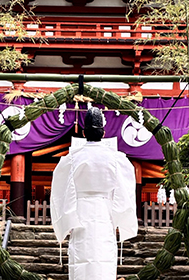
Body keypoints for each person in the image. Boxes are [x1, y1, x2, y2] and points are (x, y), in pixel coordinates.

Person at [50, 107, 138, 280]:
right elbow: (125, 190)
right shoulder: (117, 158)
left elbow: (59, 191)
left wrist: (66, 217)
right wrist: (121, 217)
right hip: (105, 213)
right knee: (103, 258)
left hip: (80, 213)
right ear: (103, 133)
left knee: (81, 258)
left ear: (84, 133)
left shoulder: (71, 158)